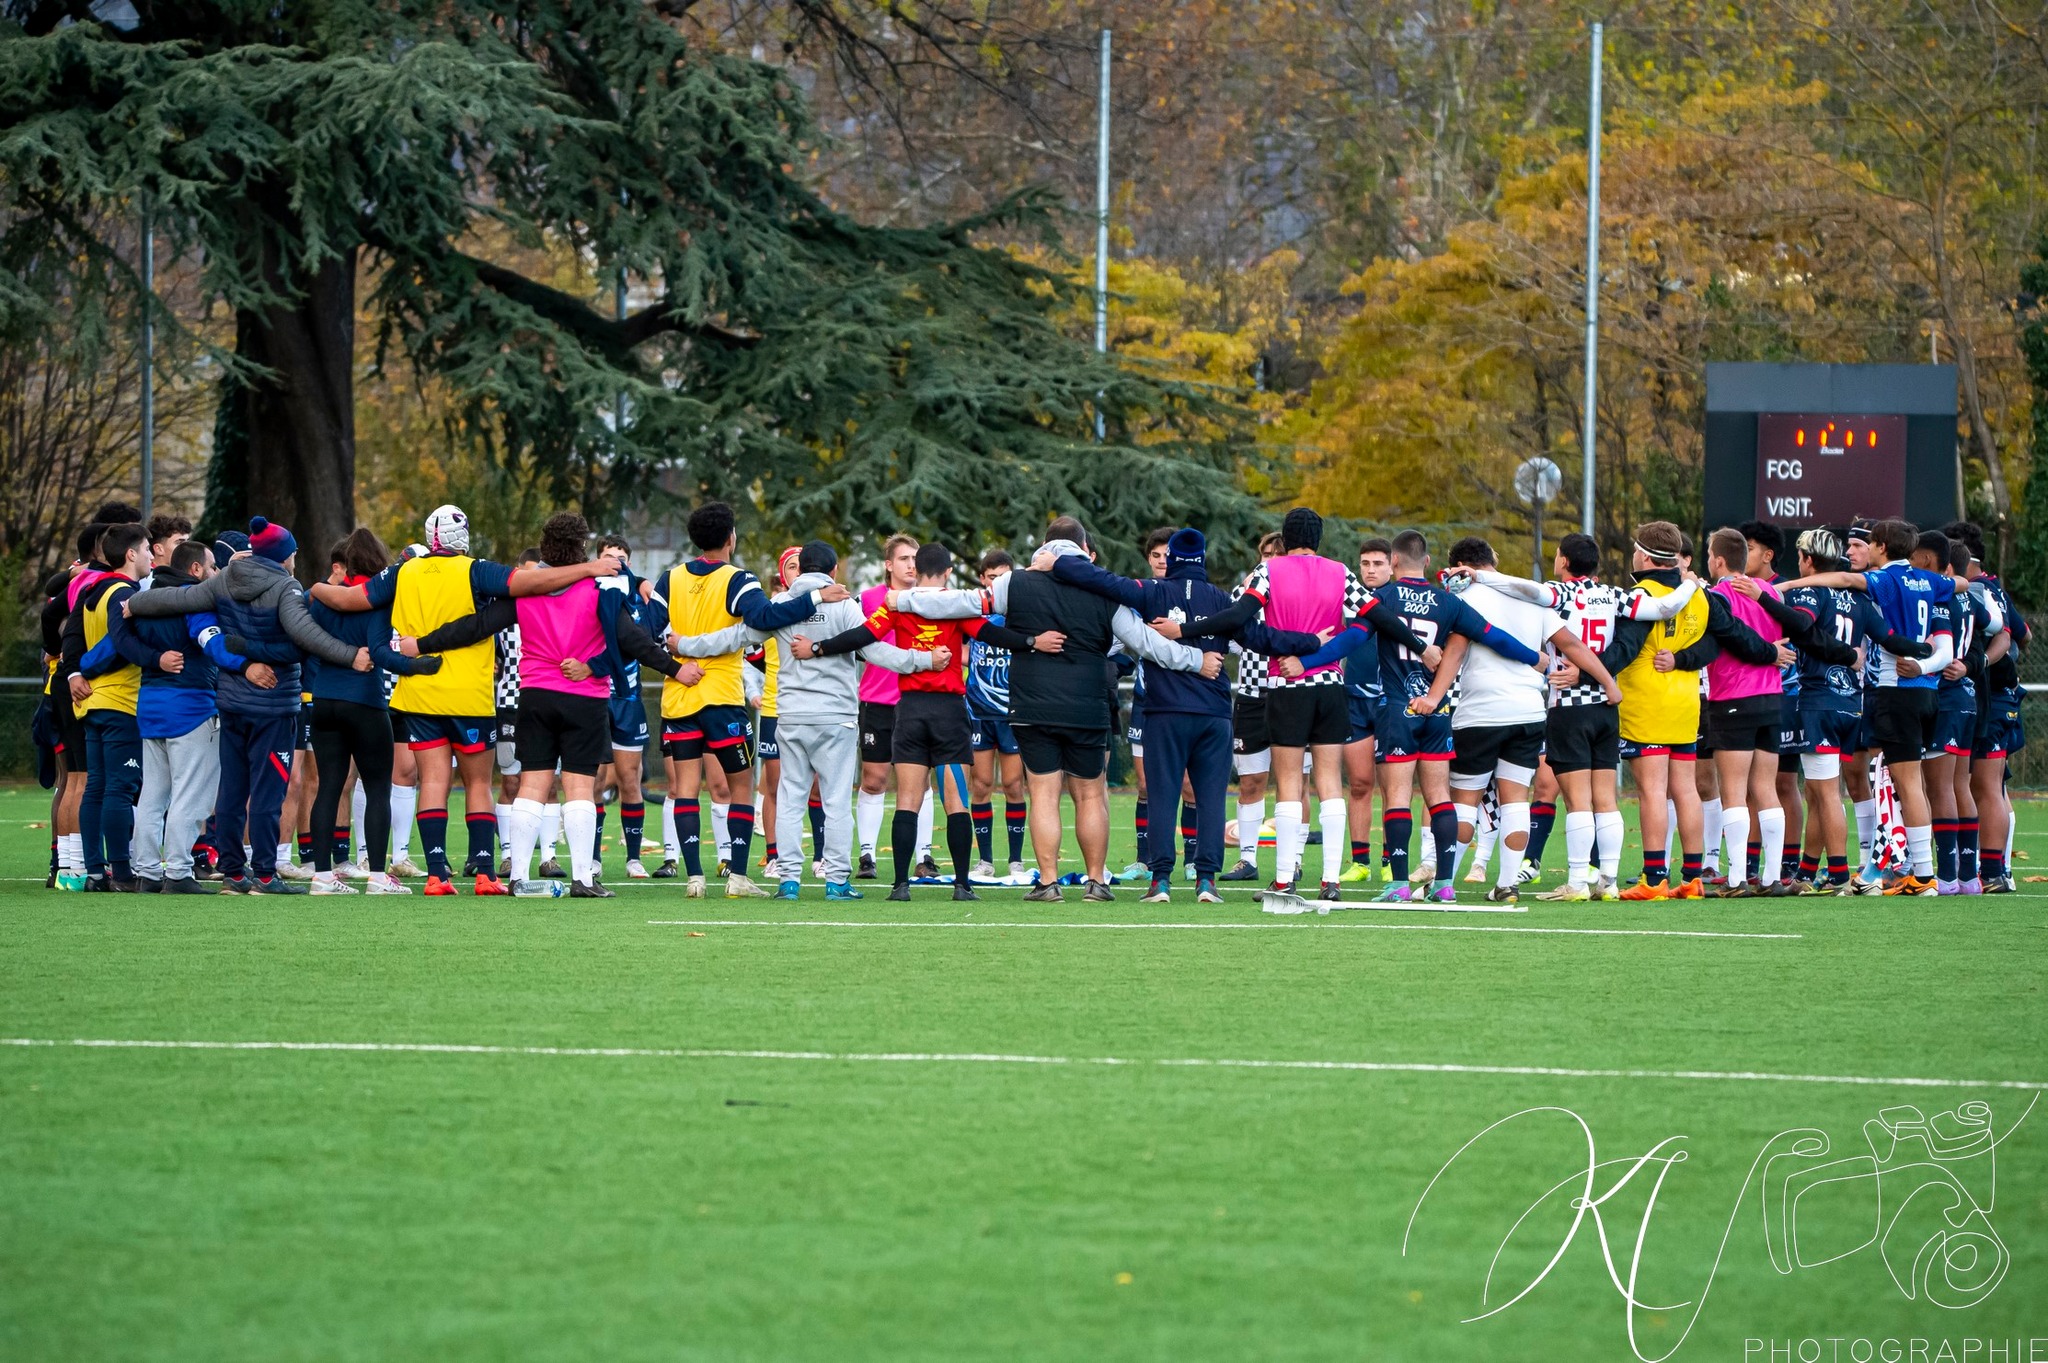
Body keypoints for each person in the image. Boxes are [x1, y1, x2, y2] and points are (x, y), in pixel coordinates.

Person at [891, 516, 1213, 902]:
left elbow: (963, 602)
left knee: (1043, 793)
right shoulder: (1102, 587)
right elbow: (1146, 642)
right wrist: (1196, 660)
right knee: (1091, 794)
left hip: (1033, 704)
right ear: (1082, 548)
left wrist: (902, 599)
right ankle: (1096, 881)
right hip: (1088, 704)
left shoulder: (1017, 581)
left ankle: (1048, 881)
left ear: (1045, 546)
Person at [311, 505, 617, 895]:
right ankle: (486, 874)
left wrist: (316, 587)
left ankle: (437, 874)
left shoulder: (403, 571)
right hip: (469, 695)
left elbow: (350, 599)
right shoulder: (478, 570)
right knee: (477, 784)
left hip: (419, 693)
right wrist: (589, 568)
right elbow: (533, 583)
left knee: (433, 782)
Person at [1161, 509, 1466, 900]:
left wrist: (1183, 630)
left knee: (1289, 782)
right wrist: (1422, 647)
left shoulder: (1270, 571)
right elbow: (1381, 617)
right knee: (1328, 783)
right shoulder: (1341, 572)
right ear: (1319, 539)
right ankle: (1331, 881)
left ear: (1285, 540)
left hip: (1286, 684)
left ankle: (1286, 880)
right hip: (1331, 686)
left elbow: (1236, 616)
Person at [1036, 526, 1326, 902]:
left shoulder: (1151, 591)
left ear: (1170, 560)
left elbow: (1101, 580)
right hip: (1213, 714)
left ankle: (1160, 881)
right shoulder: (1223, 599)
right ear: (1203, 561)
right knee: (1209, 797)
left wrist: (1056, 562)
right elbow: (1264, 639)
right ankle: (1206, 880)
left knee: (1162, 795)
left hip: (1164, 713)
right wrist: (1313, 642)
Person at [404, 515, 685, 897]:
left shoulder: (526, 590)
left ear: (546, 545)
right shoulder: (600, 587)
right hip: (585, 698)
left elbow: (474, 626)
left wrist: (420, 645)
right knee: (580, 788)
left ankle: (518, 876)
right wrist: (676, 669)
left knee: (531, 784)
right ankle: (583, 879)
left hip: (534, 697)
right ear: (582, 548)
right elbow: (633, 640)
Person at [667, 539, 942, 898]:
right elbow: (877, 651)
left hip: (791, 715)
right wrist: (924, 660)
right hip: (836, 717)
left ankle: (789, 880)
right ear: (833, 572)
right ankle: (837, 881)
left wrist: (683, 645)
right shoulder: (843, 605)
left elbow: (732, 638)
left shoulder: (780, 605)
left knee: (789, 797)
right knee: (836, 801)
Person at [1450, 531, 1700, 900]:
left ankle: (1579, 882)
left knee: (1579, 800)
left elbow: (1526, 590)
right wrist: (1690, 586)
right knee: (1607, 798)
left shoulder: (1562, 593)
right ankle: (1610, 882)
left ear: (1564, 562)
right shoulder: (1615, 595)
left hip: (1569, 705)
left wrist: (1479, 575)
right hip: (1607, 708)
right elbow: (1664, 609)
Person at [127, 517, 370, 892]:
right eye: (292, 553)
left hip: (231, 704)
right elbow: (304, 636)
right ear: (283, 556)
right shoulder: (284, 587)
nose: (294, 559)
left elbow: (178, 597)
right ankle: (266, 874)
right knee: (268, 794)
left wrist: (136, 602)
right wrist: (350, 655)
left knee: (232, 792)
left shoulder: (223, 580)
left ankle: (234, 874)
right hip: (273, 707)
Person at [795, 542, 1049, 899]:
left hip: (911, 709)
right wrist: (1033, 641)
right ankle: (962, 885)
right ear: (947, 572)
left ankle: (900, 885)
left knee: (908, 799)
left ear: (917, 570)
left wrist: (818, 648)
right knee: (955, 801)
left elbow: (862, 637)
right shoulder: (957, 606)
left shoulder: (897, 605)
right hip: (948, 710)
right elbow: (993, 635)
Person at [1406, 538, 1620, 903]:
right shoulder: (1530, 597)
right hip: (1528, 712)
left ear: (1459, 567)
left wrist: (1433, 697)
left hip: (1480, 714)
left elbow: (1455, 653)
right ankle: (1507, 884)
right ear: (1494, 559)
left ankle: (1444, 883)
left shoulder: (1466, 599)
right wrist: (1608, 683)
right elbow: (1573, 645)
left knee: (1465, 801)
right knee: (1516, 800)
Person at [658, 501, 845, 897]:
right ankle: (739, 878)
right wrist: (815, 599)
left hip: (678, 698)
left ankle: (695, 878)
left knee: (686, 789)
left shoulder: (668, 579)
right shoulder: (737, 579)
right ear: (731, 538)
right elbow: (763, 619)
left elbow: (642, 632)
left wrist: (675, 662)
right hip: (722, 698)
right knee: (741, 787)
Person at [1778, 519, 1954, 895]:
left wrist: (1790, 586)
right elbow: (1961, 584)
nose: (1866, 550)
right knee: (1899, 782)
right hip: (1925, 690)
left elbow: (1844, 580)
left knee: (1899, 784)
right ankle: (1894, 866)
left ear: (1883, 547)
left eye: (1870, 543)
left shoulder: (1886, 580)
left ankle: (1919, 873)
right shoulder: (1929, 580)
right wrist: (1923, 657)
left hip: (1894, 690)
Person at [302, 529, 444, 895]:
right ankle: (379, 877)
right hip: (364, 702)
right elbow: (379, 653)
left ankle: (321, 875)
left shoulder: (324, 597)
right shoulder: (377, 599)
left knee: (329, 787)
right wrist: (418, 666)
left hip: (323, 701)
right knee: (378, 788)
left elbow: (305, 631)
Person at [128, 539, 246, 893]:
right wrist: (248, 664)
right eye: (211, 567)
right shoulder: (194, 600)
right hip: (190, 705)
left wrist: (78, 670)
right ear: (195, 570)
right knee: (190, 794)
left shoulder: (143, 601)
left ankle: (147, 871)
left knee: (152, 795)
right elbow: (211, 643)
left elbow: (117, 644)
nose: (214, 574)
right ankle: (178, 871)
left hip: (149, 704)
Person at [62, 523, 156, 889]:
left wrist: (77, 671)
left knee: (97, 787)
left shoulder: (94, 591)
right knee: (119, 788)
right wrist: (157, 657)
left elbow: (78, 639)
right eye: (147, 549)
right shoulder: (124, 593)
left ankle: (96, 872)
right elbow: (120, 645)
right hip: (120, 701)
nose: (151, 555)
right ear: (131, 554)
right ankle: (122, 871)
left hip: (92, 702)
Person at [1220, 531, 1288, 881]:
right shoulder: (1244, 592)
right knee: (1251, 780)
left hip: (1292, 694)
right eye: (1266, 553)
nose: (1271, 559)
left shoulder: (1297, 593)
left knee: (1294, 782)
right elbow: (1231, 638)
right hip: (1251, 696)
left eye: (1278, 554)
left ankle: (1291, 860)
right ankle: (1247, 859)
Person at [854, 533, 922, 877]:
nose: (911, 565)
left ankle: (924, 857)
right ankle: (867, 855)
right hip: (876, 703)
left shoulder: (930, 600)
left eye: (915, 558)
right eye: (904, 558)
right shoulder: (866, 600)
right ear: (888, 565)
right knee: (875, 779)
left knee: (918, 781)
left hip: (917, 702)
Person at [965, 549, 1029, 880]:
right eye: (992, 577)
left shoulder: (1022, 614)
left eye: (1003, 577)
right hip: (978, 710)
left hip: (1012, 712)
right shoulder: (972, 612)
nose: (997, 583)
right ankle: (985, 860)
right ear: (982, 579)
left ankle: (1016, 860)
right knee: (982, 784)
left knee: (1015, 784)